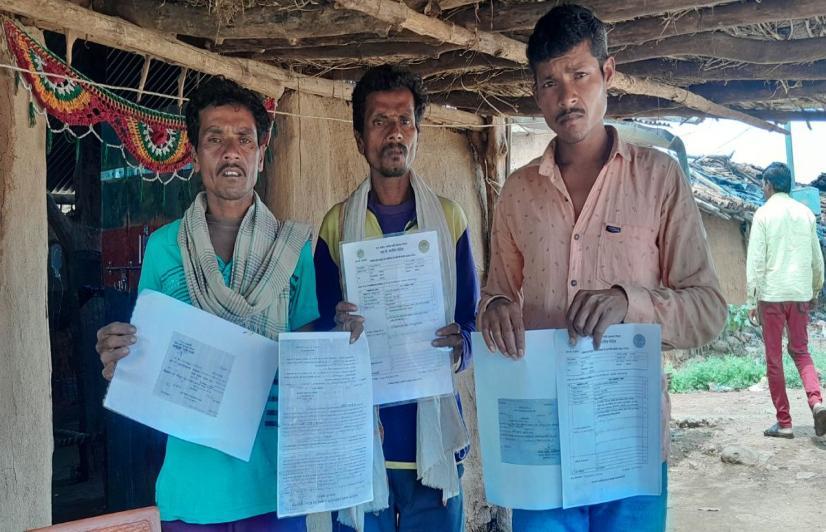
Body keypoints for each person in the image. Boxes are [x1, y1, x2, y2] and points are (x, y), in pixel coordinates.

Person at [476, 5, 727, 531]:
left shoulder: (659, 179)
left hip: (628, 441)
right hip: (541, 444)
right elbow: (496, 296)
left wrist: (629, 302)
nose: (566, 96)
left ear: (607, 73)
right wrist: (495, 309)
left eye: (580, 75)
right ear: (536, 93)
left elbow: (708, 311)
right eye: (549, 83)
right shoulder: (517, 192)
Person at [95, 78, 318, 531]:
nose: (230, 152)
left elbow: (308, 369)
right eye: (215, 139)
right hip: (191, 491)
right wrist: (119, 360)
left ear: (262, 150)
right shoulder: (164, 249)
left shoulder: (294, 251)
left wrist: (343, 345)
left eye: (244, 139)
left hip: (275, 489)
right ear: (195, 155)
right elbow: (150, 361)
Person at [313, 65, 479, 532]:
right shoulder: (334, 225)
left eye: (405, 121)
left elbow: (470, 322)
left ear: (418, 132)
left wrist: (460, 343)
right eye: (380, 121)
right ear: (359, 137)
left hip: (434, 444)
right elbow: (319, 329)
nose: (395, 133)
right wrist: (336, 327)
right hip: (362, 445)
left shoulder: (449, 220)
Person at [746, 161, 826, 438]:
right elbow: (817, 259)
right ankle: (816, 402)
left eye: (763, 184)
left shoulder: (763, 214)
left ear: (768, 185)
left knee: (774, 358)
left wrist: (751, 298)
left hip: (771, 296)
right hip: (799, 294)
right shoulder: (806, 214)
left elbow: (756, 260)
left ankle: (785, 422)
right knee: (801, 351)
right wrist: (815, 290)